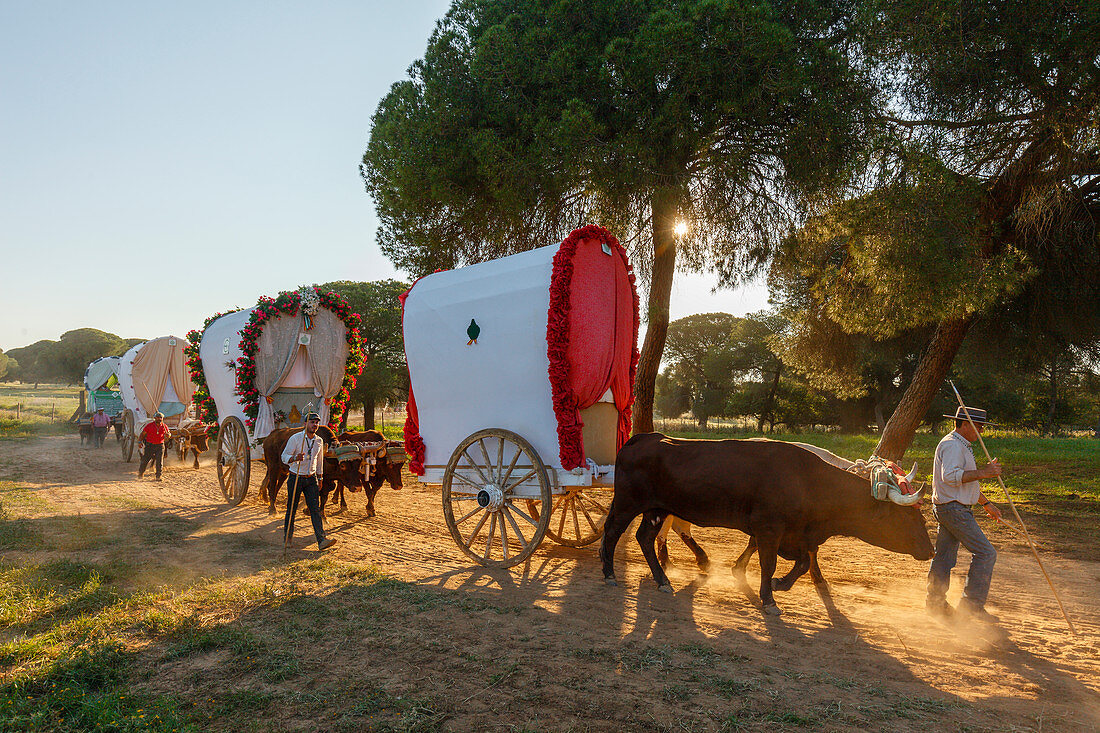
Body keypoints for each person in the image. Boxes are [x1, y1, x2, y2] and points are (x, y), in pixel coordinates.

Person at [926, 406, 1004, 622]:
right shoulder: (952, 445)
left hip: (949, 507)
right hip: (954, 509)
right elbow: (951, 477)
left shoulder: (961, 445)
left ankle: (935, 603)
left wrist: (986, 503)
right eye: (979, 426)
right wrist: (985, 472)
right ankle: (971, 607)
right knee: (986, 553)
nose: (981, 431)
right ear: (966, 424)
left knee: (943, 557)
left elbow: (962, 481)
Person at [281, 413, 337, 552]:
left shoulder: (319, 441)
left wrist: (320, 477)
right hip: (296, 477)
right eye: (312, 422)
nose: (315, 425)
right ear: (305, 424)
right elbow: (284, 457)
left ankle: (322, 540)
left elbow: (319, 461)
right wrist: (294, 458)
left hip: (311, 479)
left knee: (315, 510)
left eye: (317, 423)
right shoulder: (296, 438)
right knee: (291, 509)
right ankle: (287, 539)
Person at [138, 412, 171, 481]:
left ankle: (158, 476)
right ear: (155, 418)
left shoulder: (164, 426)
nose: (159, 419)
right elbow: (142, 434)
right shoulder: (149, 426)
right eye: (158, 417)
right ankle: (141, 473)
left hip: (160, 445)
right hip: (150, 445)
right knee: (145, 460)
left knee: (159, 461)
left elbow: (168, 433)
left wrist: (168, 435)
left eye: (161, 418)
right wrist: (139, 441)